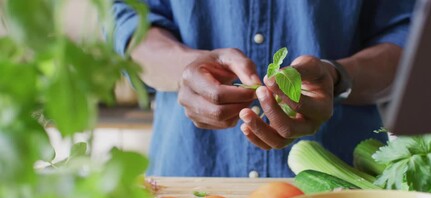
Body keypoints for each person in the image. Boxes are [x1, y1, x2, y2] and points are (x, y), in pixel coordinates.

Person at [113, 0, 415, 177]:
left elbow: (407, 36)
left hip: (341, 180)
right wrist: (184, 70)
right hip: (191, 175)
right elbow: (129, 21)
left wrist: (338, 77)